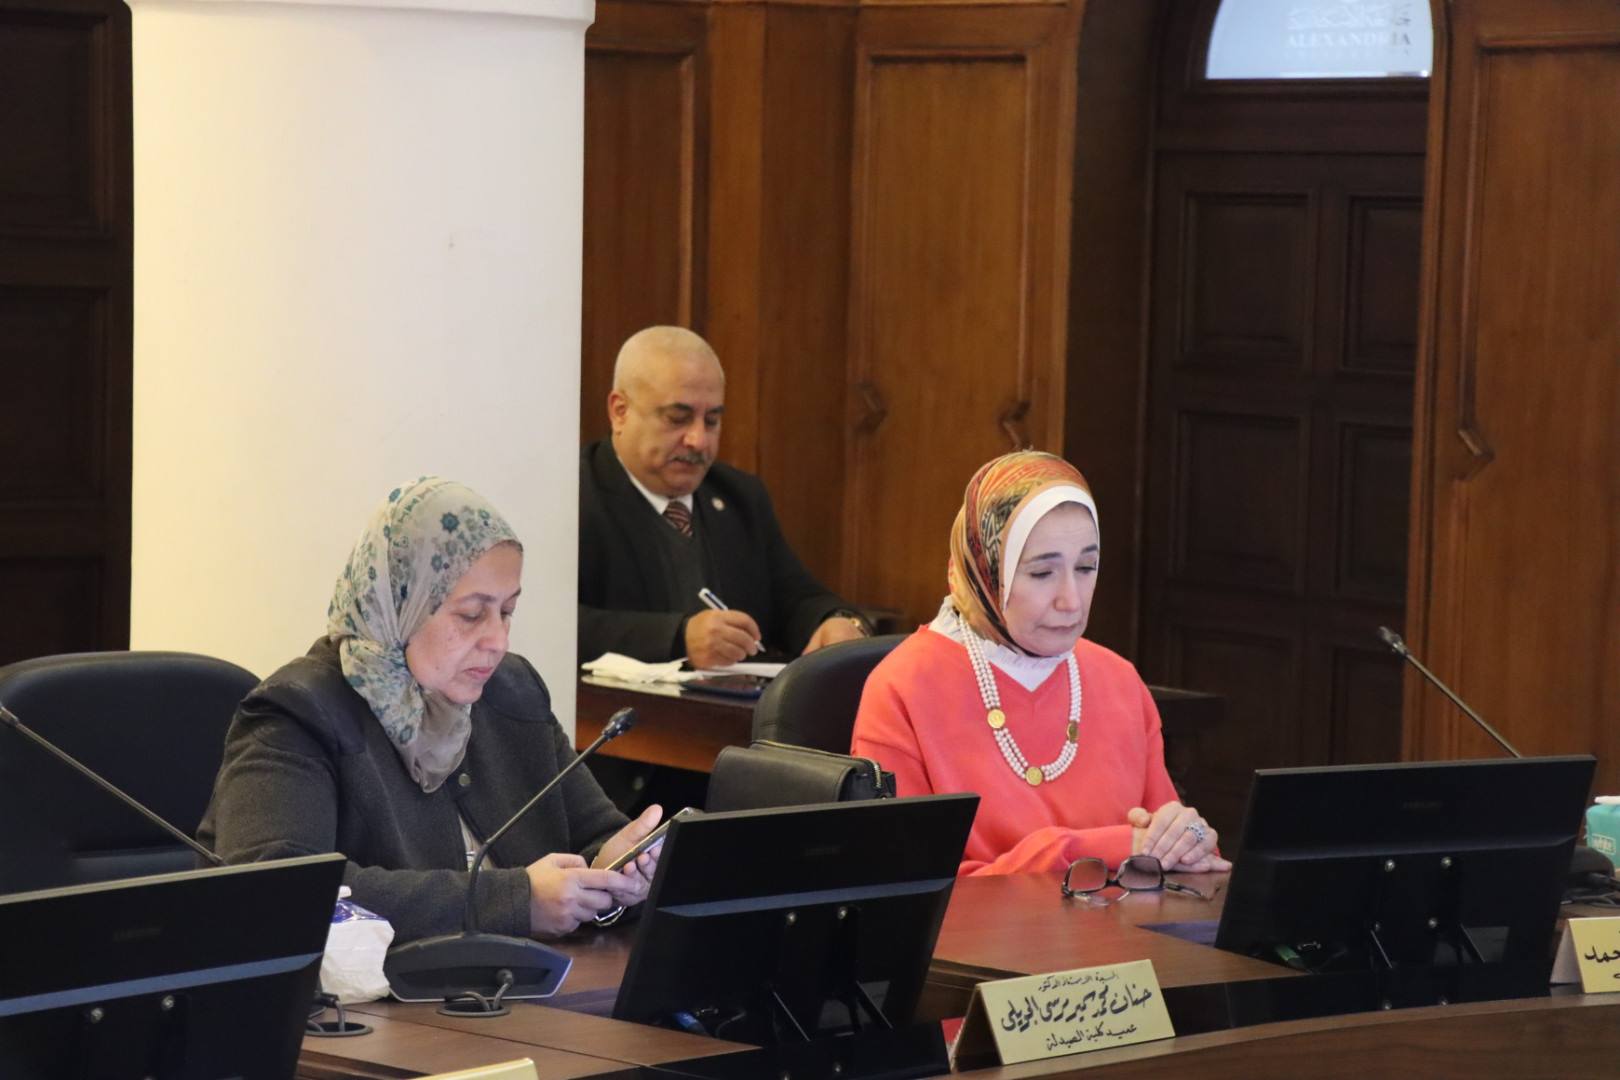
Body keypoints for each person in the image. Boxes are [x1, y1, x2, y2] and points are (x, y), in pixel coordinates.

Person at [200, 477, 663, 944]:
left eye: (506, 612)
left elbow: (595, 837)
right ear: (403, 603)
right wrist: (512, 901)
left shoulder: (513, 691)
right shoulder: (296, 713)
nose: (498, 641)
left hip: (532, 981)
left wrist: (617, 873)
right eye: (471, 614)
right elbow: (277, 891)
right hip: (379, 992)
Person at [851, 451, 1230, 878]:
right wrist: (1101, 848)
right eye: (1041, 573)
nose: (1071, 600)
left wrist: (1190, 837)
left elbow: (1175, 856)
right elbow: (909, 884)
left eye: (1086, 567)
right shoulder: (904, 688)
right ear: (985, 570)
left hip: (1127, 922)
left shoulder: (1118, 679)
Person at [579, 326, 868, 668]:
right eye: (678, 418)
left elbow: (796, 598)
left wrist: (837, 622)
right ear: (620, 411)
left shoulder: (739, 496)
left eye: (712, 420)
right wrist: (678, 638)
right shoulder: (576, 496)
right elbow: (554, 621)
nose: (698, 440)